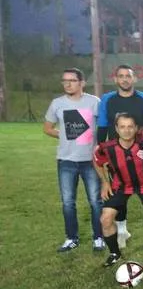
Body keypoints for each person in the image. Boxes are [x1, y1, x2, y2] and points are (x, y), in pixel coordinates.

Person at [43, 68, 104, 253]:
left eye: (72, 80)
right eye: (64, 80)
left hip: (90, 161)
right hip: (66, 161)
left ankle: (99, 237)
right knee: (68, 202)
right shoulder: (57, 103)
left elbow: (102, 127)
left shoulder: (94, 102)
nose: (67, 84)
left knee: (95, 201)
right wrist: (64, 135)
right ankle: (71, 238)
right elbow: (47, 128)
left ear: (82, 83)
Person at [97, 65, 143, 249]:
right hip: (117, 156)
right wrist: (103, 152)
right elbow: (103, 126)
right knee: (120, 195)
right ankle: (122, 231)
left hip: (141, 155)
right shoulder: (107, 99)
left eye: (128, 76)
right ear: (116, 79)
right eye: (120, 76)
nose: (124, 79)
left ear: (134, 79)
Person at [93, 113, 143, 267]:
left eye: (130, 126)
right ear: (116, 129)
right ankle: (114, 253)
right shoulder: (108, 148)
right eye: (122, 127)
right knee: (105, 219)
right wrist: (105, 182)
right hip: (121, 185)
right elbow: (97, 160)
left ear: (136, 128)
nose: (127, 130)